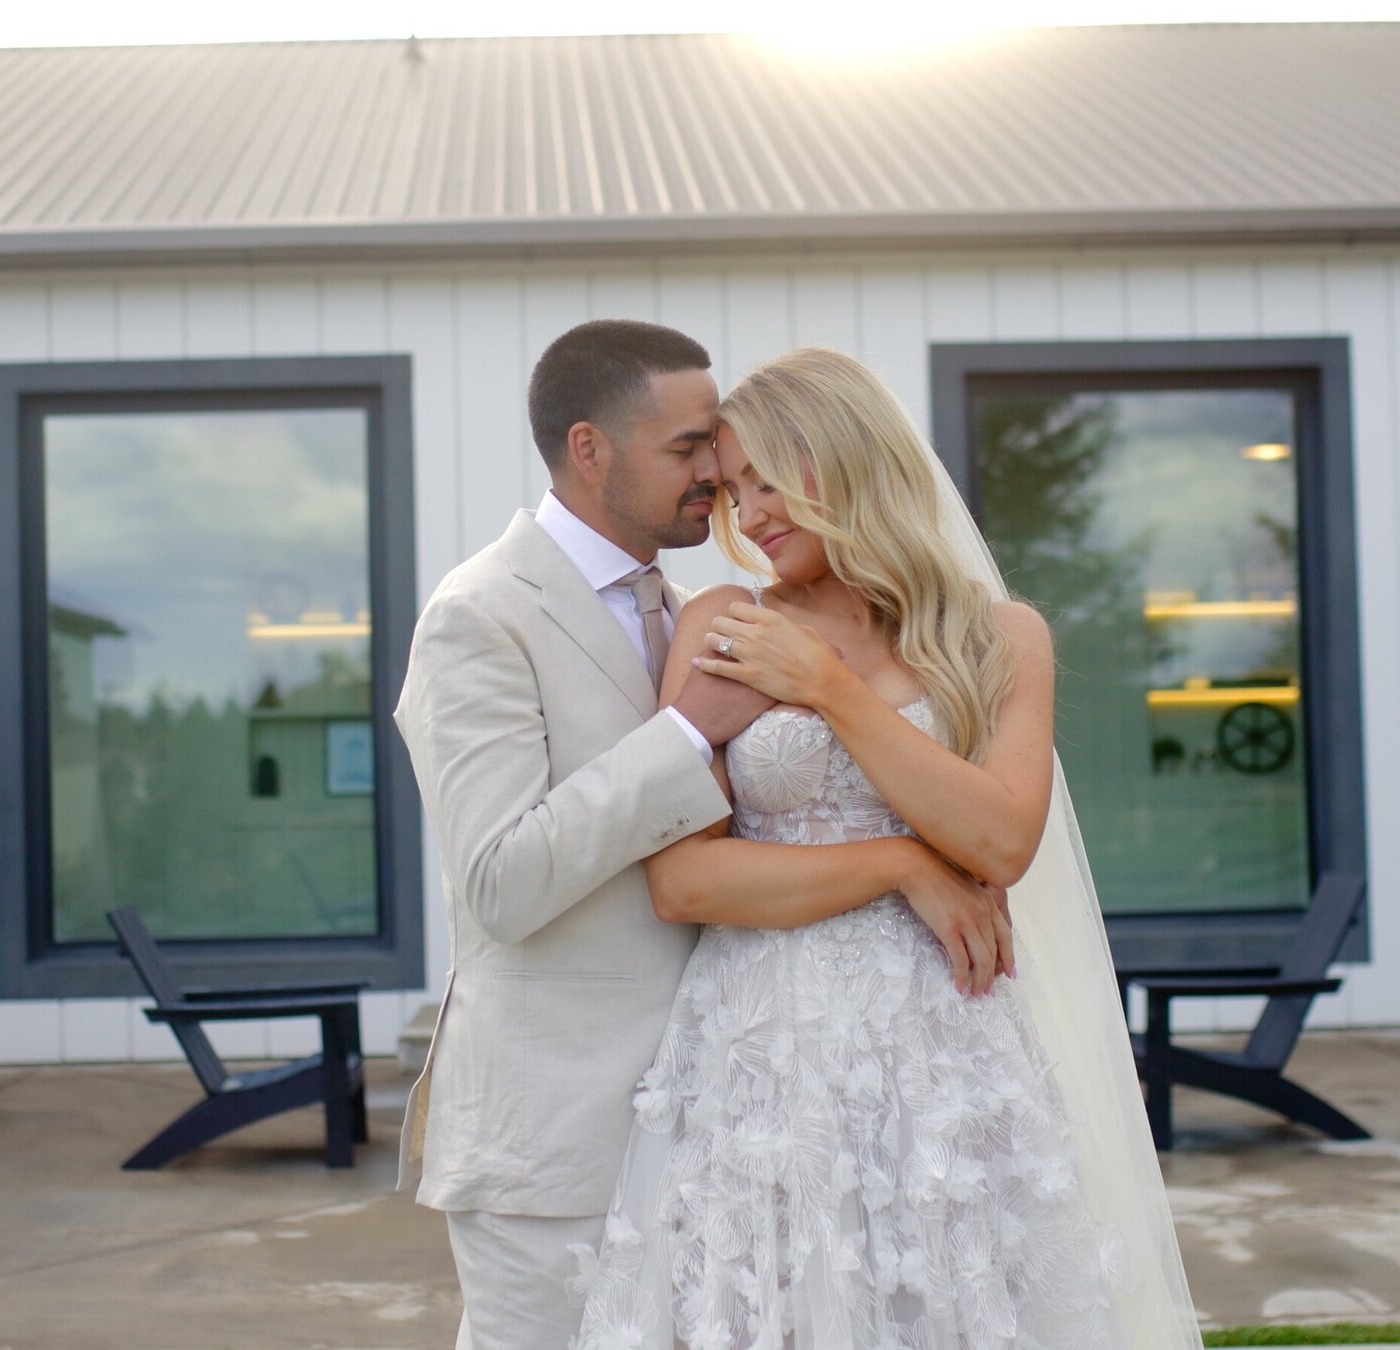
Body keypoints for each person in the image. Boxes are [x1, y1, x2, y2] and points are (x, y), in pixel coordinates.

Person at [394, 322, 1017, 1350]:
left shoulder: (699, 611)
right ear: (590, 448)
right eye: (690, 452)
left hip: (726, 1117)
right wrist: (686, 735)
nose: (715, 484)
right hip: (557, 1140)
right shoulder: (480, 615)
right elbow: (499, 883)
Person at [569, 347, 1201, 1348]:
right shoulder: (721, 627)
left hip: (953, 1043)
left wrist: (829, 688)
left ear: (851, 458)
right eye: (735, 487)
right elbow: (686, 881)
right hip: (764, 1053)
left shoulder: (1001, 638)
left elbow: (999, 839)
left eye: (774, 475)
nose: (753, 510)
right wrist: (906, 866)